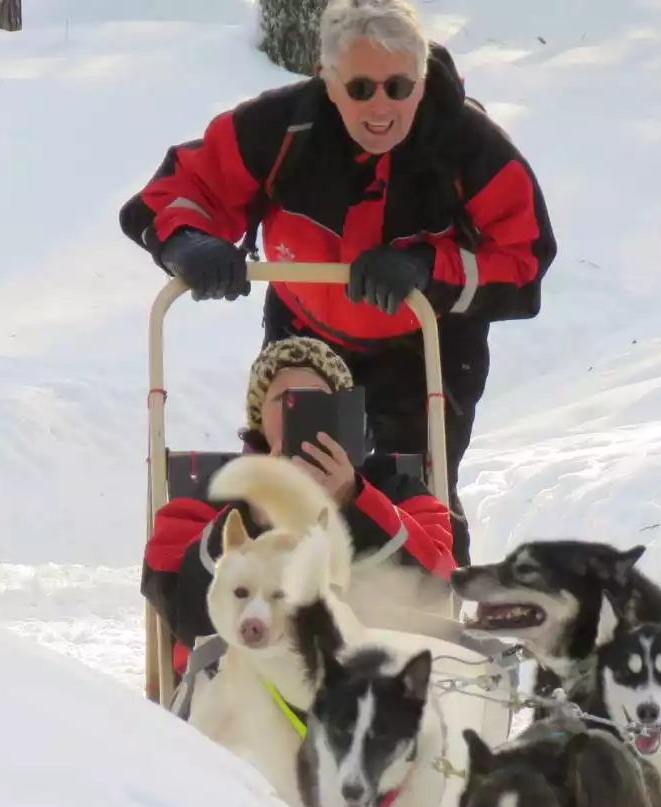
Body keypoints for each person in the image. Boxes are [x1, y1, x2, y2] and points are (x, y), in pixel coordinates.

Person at [119, 0, 557, 566]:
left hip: (424, 343)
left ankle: (429, 621)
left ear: (421, 82)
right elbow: (179, 190)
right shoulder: (280, 128)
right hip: (306, 337)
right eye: (361, 89)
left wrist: (428, 265)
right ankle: (277, 612)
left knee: (418, 489)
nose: (381, 107)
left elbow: (523, 256)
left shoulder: (469, 147)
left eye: (399, 87)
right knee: (291, 478)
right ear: (329, 81)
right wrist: (189, 242)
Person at [142, 337, 457, 695]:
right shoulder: (217, 493)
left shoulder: (394, 490)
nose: (300, 410)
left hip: (366, 686)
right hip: (240, 689)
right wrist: (259, 511)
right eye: (284, 399)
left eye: (317, 400)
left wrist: (353, 501)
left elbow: (434, 586)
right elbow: (182, 607)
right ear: (260, 419)